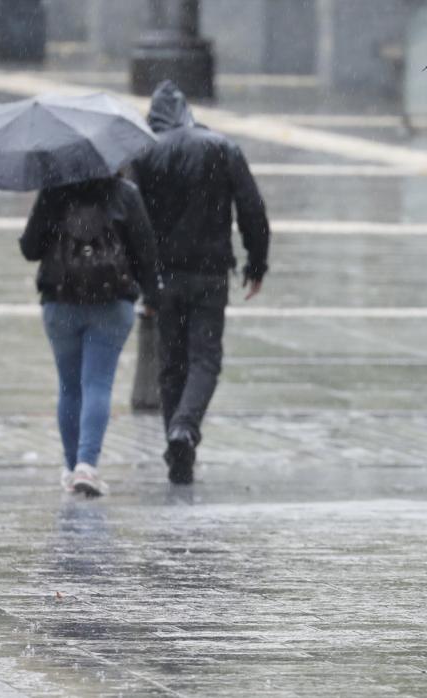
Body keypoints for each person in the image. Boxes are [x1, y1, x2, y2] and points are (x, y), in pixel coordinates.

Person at [131, 80, 271, 486]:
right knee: (205, 358)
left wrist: (141, 277)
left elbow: (135, 220)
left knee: (170, 364)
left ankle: (179, 455)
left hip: (163, 275)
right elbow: (252, 209)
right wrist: (256, 264)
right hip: (210, 272)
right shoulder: (222, 148)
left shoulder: (143, 152)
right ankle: (185, 430)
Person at [20, 176, 163, 497]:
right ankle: (87, 465)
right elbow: (146, 251)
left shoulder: (53, 190)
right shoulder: (125, 193)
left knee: (69, 386)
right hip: (112, 303)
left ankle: (72, 469)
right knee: (98, 383)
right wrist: (152, 296)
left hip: (61, 301)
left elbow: (30, 249)